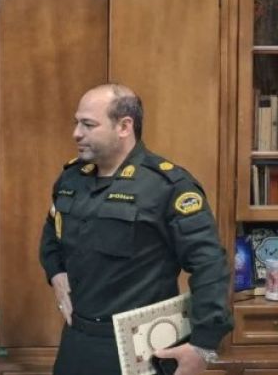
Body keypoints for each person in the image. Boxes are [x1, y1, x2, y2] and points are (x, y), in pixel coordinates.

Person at [39, 84, 233, 375]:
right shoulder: (71, 179)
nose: (76, 133)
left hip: (141, 347)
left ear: (124, 126)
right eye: (76, 123)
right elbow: (52, 233)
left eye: (88, 124)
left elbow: (210, 265)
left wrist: (203, 345)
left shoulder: (168, 186)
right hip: (78, 340)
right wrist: (56, 273)